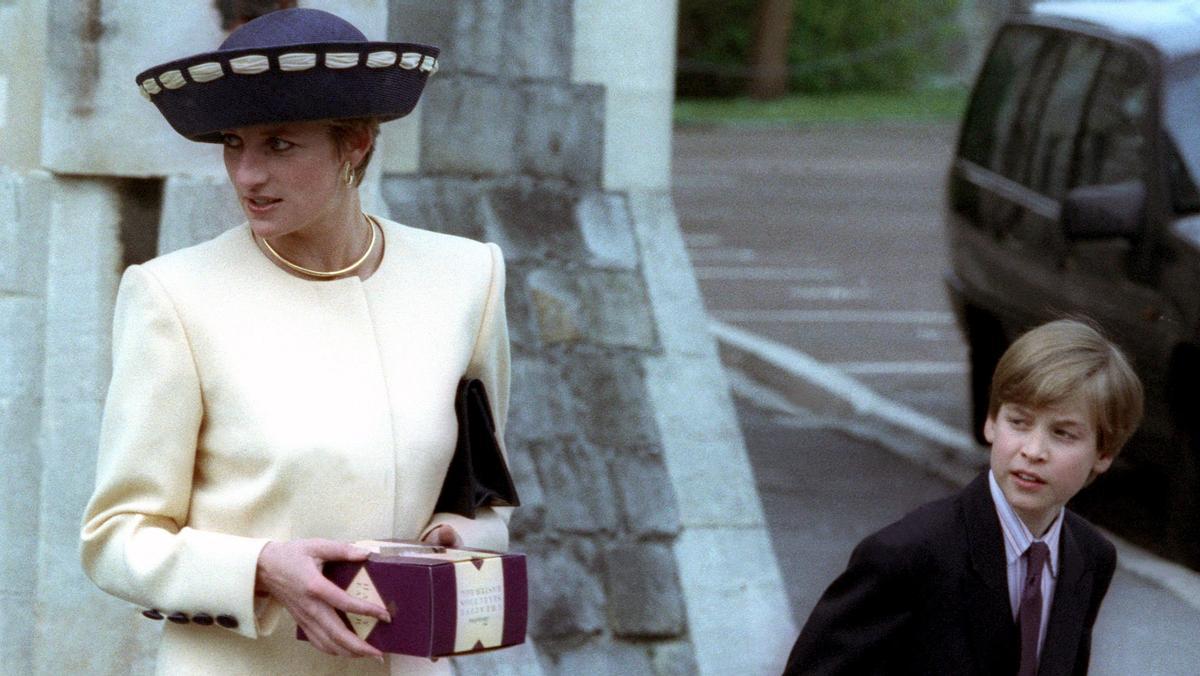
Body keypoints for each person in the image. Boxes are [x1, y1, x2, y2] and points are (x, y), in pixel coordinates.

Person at [79, 8, 512, 675]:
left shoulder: (466, 279)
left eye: (279, 144)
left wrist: (463, 536)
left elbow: (482, 492)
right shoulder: (174, 296)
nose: (247, 174)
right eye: (233, 143)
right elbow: (116, 540)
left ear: (357, 144)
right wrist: (259, 568)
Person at [784, 319, 1143, 675]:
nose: (1033, 450)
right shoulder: (908, 554)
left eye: (1063, 433)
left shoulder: (1090, 557)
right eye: (1018, 422)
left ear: (1104, 453)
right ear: (990, 422)